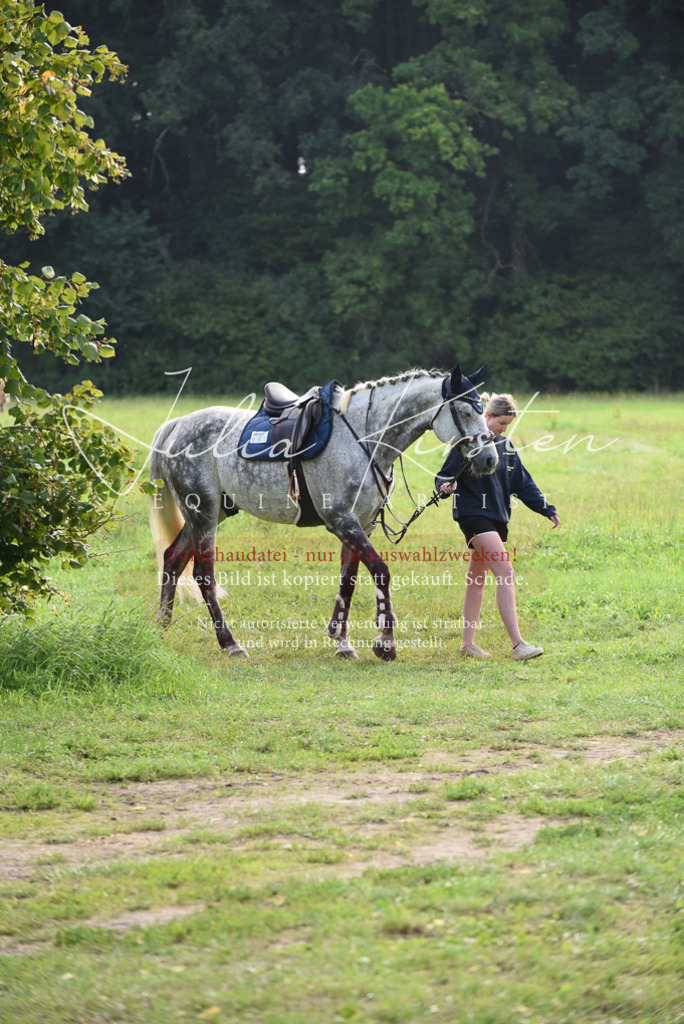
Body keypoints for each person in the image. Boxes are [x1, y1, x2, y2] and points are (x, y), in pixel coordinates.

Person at [435, 392, 561, 661]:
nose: (504, 429)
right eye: (501, 423)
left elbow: (523, 484)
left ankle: (467, 645)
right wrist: (444, 487)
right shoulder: (467, 443)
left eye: (508, 425)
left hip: (497, 519)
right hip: (473, 516)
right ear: (488, 415)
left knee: (476, 581)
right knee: (505, 572)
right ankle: (518, 645)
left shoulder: (506, 446)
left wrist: (546, 508)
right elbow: (444, 476)